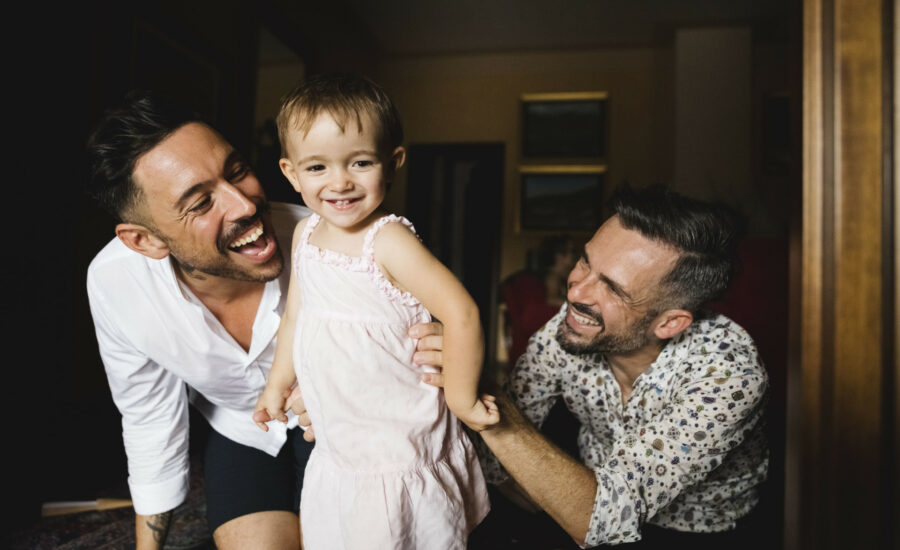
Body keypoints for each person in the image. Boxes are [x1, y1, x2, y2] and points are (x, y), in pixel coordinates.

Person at [84, 91, 444, 550]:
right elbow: (149, 417)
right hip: (243, 430)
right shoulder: (117, 285)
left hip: (351, 423)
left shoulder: (341, 245)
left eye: (236, 171)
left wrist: (433, 351)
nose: (244, 204)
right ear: (144, 240)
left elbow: (418, 352)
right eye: (200, 203)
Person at [253, 73, 496, 550]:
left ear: (393, 162)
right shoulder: (304, 235)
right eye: (317, 167)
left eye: (360, 162)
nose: (340, 182)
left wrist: (463, 399)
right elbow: (297, 315)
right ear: (291, 172)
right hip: (343, 441)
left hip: (397, 438)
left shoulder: (386, 241)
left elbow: (461, 311)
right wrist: (277, 381)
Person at [476, 185, 769, 549]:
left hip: (701, 531)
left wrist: (487, 406)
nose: (575, 292)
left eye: (613, 288)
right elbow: (493, 462)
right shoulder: (571, 329)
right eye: (585, 261)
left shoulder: (729, 374)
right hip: (588, 491)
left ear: (669, 323)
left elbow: (601, 518)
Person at [502, 234, 577, 364]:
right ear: (559, 256)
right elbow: (551, 302)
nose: (574, 258)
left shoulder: (548, 278)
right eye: (571, 252)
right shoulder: (552, 277)